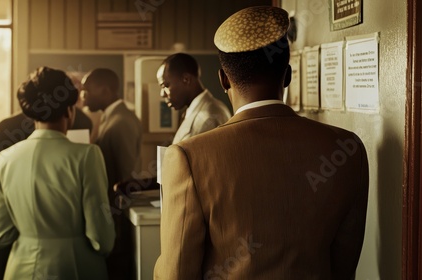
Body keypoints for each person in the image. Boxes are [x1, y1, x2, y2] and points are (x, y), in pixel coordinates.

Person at [154, 6, 369, 280]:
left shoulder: (188, 157)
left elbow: (177, 273)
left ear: (222, 79)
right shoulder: (348, 148)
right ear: (288, 75)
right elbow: (344, 266)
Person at [0, 66, 115, 279]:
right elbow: (101, 237)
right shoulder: (87, 156)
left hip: (20, 269)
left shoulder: (6, 158)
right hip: (75, 266)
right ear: (69, 110)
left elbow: (2, 235)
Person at [82, 68, 142, 280]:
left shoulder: (121, 121)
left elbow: (126, 178)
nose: (83, 96)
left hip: (117, 222)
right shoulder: (111, 117)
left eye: (87, 90)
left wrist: (115, 226)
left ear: (105, 91)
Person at [156, 53, 231, 144]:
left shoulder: (208, 118)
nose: (162, 94)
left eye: (165, 86)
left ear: (186, 79)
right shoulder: (198, 110)